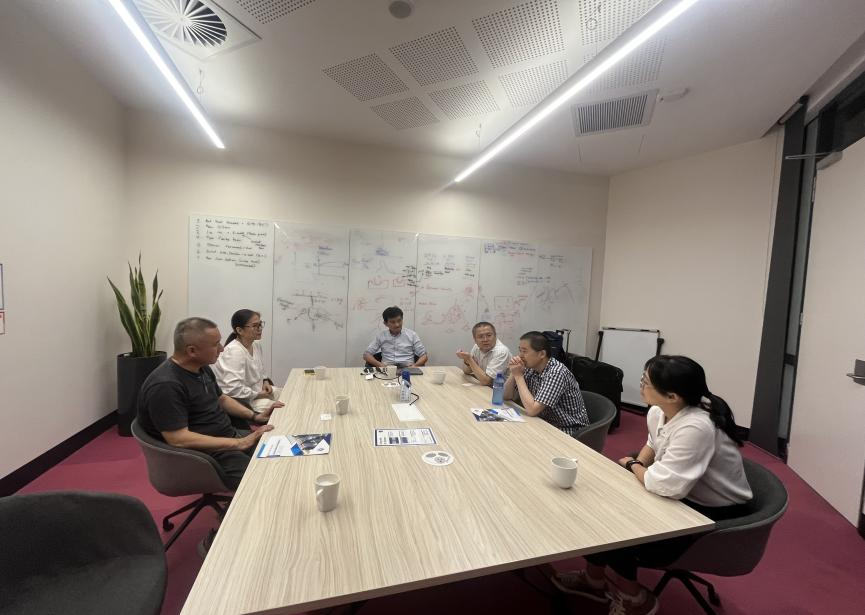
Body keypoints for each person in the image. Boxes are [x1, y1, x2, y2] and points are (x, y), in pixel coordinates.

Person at [551, 355, 753, 615]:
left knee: (618, 527)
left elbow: (665, 485)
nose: (641, 385)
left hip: (713, 512)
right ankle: (594, 580)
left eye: (646, 382)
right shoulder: (659, 411)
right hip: (682, 490)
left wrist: (632, 466)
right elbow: (652, 444)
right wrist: (636, 466)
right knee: (598, 504)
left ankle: (635, 599)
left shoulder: (696, 426)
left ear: (672, 396)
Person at [137, 317, 283, 492]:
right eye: (215, 344)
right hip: (206, 455)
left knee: (281, 455)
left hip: (228, 437)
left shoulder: (202, 367)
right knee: (268, 482)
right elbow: (178, 439)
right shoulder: (166, 386)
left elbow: (222, 399)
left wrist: (255, 416)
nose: (222, 348)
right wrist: (238, 443)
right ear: (192, 350)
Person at [504, 331, 588, 437]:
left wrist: (518, 376)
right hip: (543, 422)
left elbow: (532, 410)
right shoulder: (531, 368)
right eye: (519, 350)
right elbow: (506, 396)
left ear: (542, 354)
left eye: (524, 351)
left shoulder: (557, 372)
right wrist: (513, 372)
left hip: (568, 430)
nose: (520, 356)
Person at [212, 309, 282, 416]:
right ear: (239, 330)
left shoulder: (256, 344)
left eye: (260, 324)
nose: (260, 329)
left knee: (288, 394)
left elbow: (261, 369)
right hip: (243, 401)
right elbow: (233, 389)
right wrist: (258, 394)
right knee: (282, 407)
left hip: (257, 392)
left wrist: (265, 381)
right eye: (255, 326)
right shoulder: (235, 352)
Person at [363, 306, 428, 368]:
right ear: (385, 323)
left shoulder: (412, 335)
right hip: (387, 369)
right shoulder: (381, 336)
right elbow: (366, 355)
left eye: (399, 320)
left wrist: (415, 366)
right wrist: (380, 365)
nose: (397, 325)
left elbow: (424, 356)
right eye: (392, 322)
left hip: (408, 369)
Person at [456, 321, 512, 385]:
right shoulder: (476, 347)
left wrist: (469, 359)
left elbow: (486, 381)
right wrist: (467, 361)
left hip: (499, 389)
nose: (485, 339)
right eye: (480, 336)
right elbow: (466, 371)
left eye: (489, 335)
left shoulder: (502, 351)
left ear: (495, 336)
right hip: (484, 385)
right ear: (475, 339)